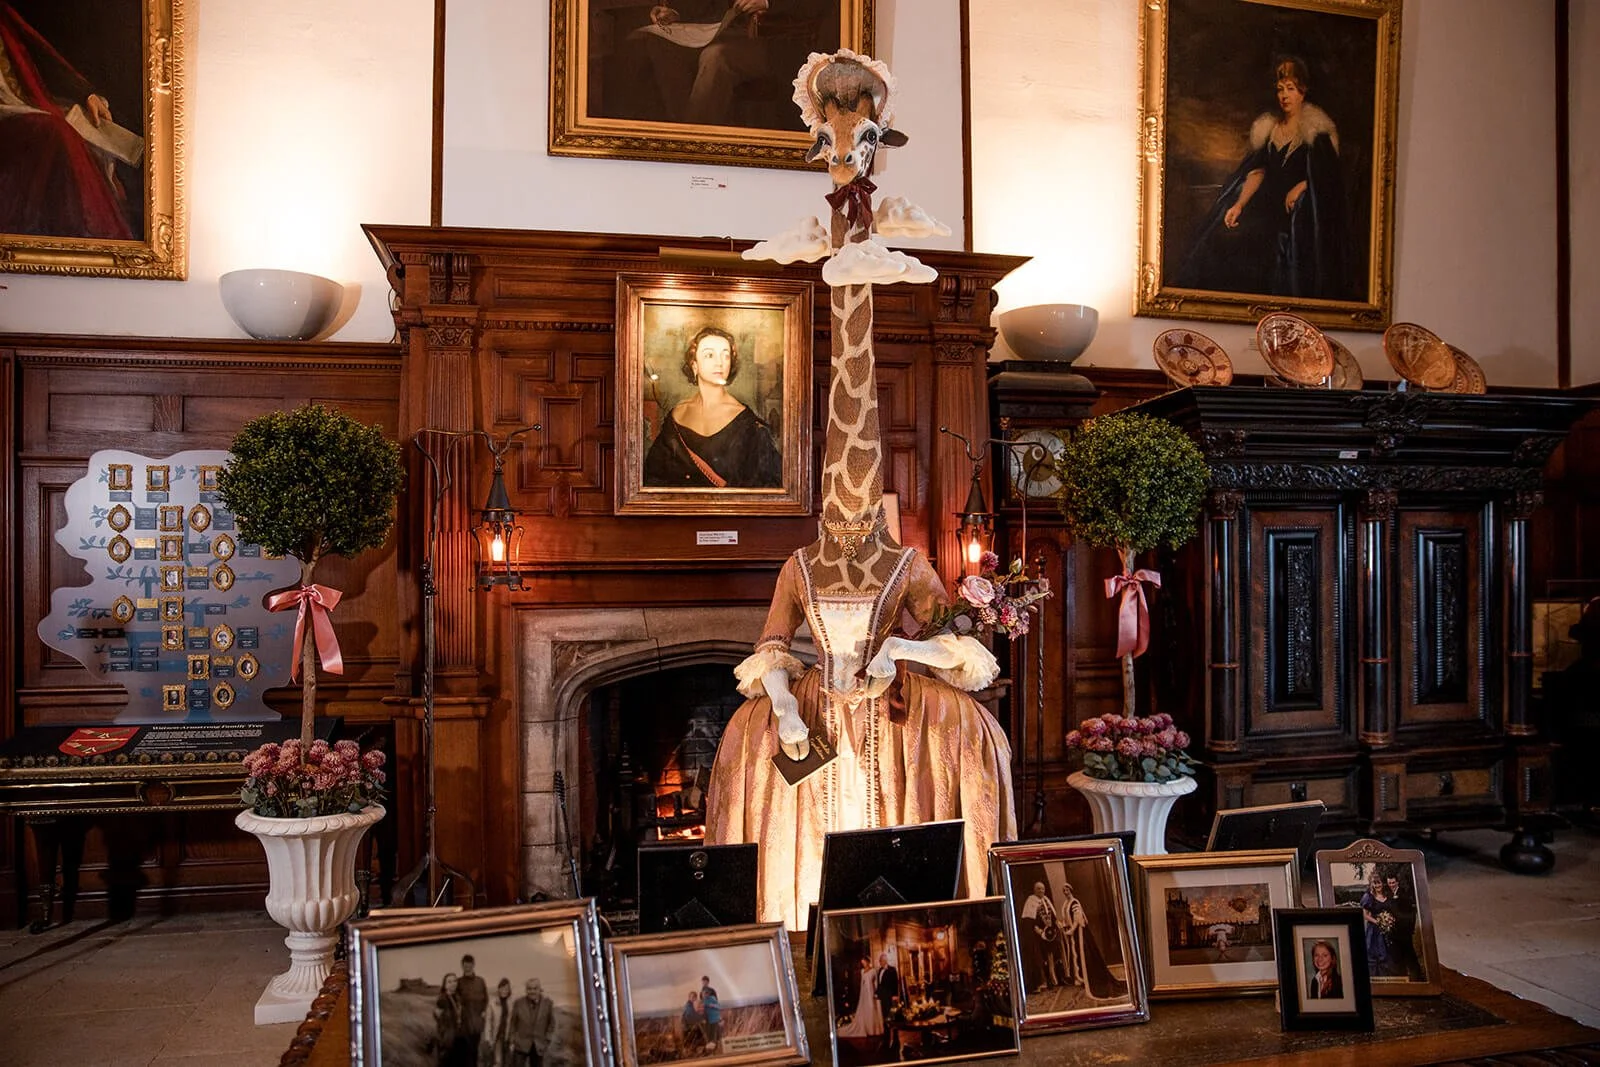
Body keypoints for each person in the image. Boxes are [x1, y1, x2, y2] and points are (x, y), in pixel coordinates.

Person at [1172, 55, 1352, 301]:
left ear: (1303, 91)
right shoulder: (1269, 128)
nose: (1284, 96)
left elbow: (1326, 177)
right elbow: (1257, 171)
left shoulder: (1316, 131)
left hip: (1295, 212)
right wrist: (1239, 204)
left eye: (1290, 89)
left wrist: (1302, 186)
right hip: (1264, 206)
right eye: (1280, 90)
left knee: (1275, 248)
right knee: (1223, 238)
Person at [0, 2, 139, 239]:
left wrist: (87, 93)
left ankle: (107, 244)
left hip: (21, 105)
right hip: (8, 119)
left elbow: (38, 57)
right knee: (54, 132)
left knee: (91, 129)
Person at [603, 0, 832, 129]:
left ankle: (694, 143)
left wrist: (767, 2)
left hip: (777, 41)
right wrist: (676, 12)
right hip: (721, 30)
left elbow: (818, 5)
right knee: (658, 44)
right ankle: (680, 133)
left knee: (715, 58)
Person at [643, 325, 783, 489]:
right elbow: (652, 477)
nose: (719, 362)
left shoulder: (749, 426)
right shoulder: (676, 416)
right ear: (694, 365)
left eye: (726, 356)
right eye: (709, 355)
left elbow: (769, 489)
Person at [1020, 880, 1069, 991]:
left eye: (1042, 888)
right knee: (1044, 959)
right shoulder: (1030, 901)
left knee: (1056, 955)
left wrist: (1057, 924)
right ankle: (1047, 981)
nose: (1041, 890)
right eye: (1038, 889)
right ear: (1034, 890)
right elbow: (1029, 921)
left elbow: (1053, 916)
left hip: (1052, 933)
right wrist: (1040, 932)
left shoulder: (1046, 899)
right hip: (1039, 935)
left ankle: (1059, 978)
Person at [1360, 869, 1400, 977]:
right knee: (1374, 955)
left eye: (1379, 883)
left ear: (1382, 883)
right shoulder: (1368, 897)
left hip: (1387, 929)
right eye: (1375, 883)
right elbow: (1365, 914)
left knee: (1388, 954)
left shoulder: (1387, 894)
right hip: (1374, 930)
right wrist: (1377, 921)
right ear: (1372, 884)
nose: (1377, 885)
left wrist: (1389, 920)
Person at [1385, 868, 1424, 980]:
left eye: (1393, 882)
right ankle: (1403, 979)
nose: (1391, 885)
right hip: (1394, 933)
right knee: (1398, 958)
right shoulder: (1389, 894)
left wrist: (1409, 929)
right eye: (1389, 883)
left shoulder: (1404, 894)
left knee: (1410, 956)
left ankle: (1418, 978)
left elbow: (1411, 914)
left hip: (1404, 932)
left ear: (1397, 882)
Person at [836, 953, 883, 1039]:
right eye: (862, 963)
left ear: (868, 962)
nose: (863, 964)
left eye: (864, 962)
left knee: (872, 1008)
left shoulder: (873, 971)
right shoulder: (862, 971)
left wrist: (875, 992)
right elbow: (862, 983)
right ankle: (866, 1028)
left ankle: (873, 1029)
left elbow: (876, 983)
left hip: (871, 992)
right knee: (865, 1009)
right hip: (864, 993)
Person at [510, 978, 555, 1067]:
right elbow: (513, 1023)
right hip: (520, 1044)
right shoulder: (518, 1003)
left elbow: (551, 1023)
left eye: (535, 988)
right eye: (529, 989)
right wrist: (513, 1040)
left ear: (539, 989)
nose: (532, 991)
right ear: (526, 990)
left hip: (539, 1045)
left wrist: (547, 1039)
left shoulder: (547, 1004)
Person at [456, 954, 489, 1064]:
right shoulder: (458, 982)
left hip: (477, 1025)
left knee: (474, 1052)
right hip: (464, 1026)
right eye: (465, 965)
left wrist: (484, 1012)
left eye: (470, 965)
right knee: (465, 1053)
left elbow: (486, 999)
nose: (468, 967)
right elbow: (455, 1001)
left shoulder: (480, 981)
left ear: (473, 965)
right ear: (462, 966)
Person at [434, 973, 470, 1067]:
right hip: (448, 1040)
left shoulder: (458, 998)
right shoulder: (442, 999)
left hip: (460, 1037)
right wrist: (444, 1037)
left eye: (455, 981)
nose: (453, 983)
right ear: (445, 985)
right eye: (449, 982)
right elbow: (438, 1018)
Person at [481, 978, 515, 1067]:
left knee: (507, 1061)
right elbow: (488, 1021)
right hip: (497, 1036)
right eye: (502, 988)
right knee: (498, 1061)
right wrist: (488, 1038)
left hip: (507, 1036)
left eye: (507, 989)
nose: (504, 991)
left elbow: (513, 1020)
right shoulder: (492, 1003)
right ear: (499, 989)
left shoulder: (511, 1002)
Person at [698, 974, 722, 1051]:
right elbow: (701, 1003)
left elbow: (716, 1003)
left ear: (708, 982)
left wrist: (718, 1015)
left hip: (713, 1015)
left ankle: (716, 1048)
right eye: (703, 981)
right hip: (706, 1015)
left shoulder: (712, 991)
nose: (704, 983)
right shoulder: (700, 992)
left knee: (715, 1032)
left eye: (706, 981)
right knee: (708, 1033)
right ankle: (709, 1048)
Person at [679, 990, 703, 1055]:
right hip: (686, 1028)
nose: (694, 998)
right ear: (689, 997)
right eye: (692, 997)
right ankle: (694, 1050)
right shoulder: (688, 1006)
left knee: (698, 1032)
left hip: (687, 1027)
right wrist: (700, 1018)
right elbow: (692, 1016)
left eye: (695, 997)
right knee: (699, 1033)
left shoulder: (690, 1005)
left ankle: (693, 1050)